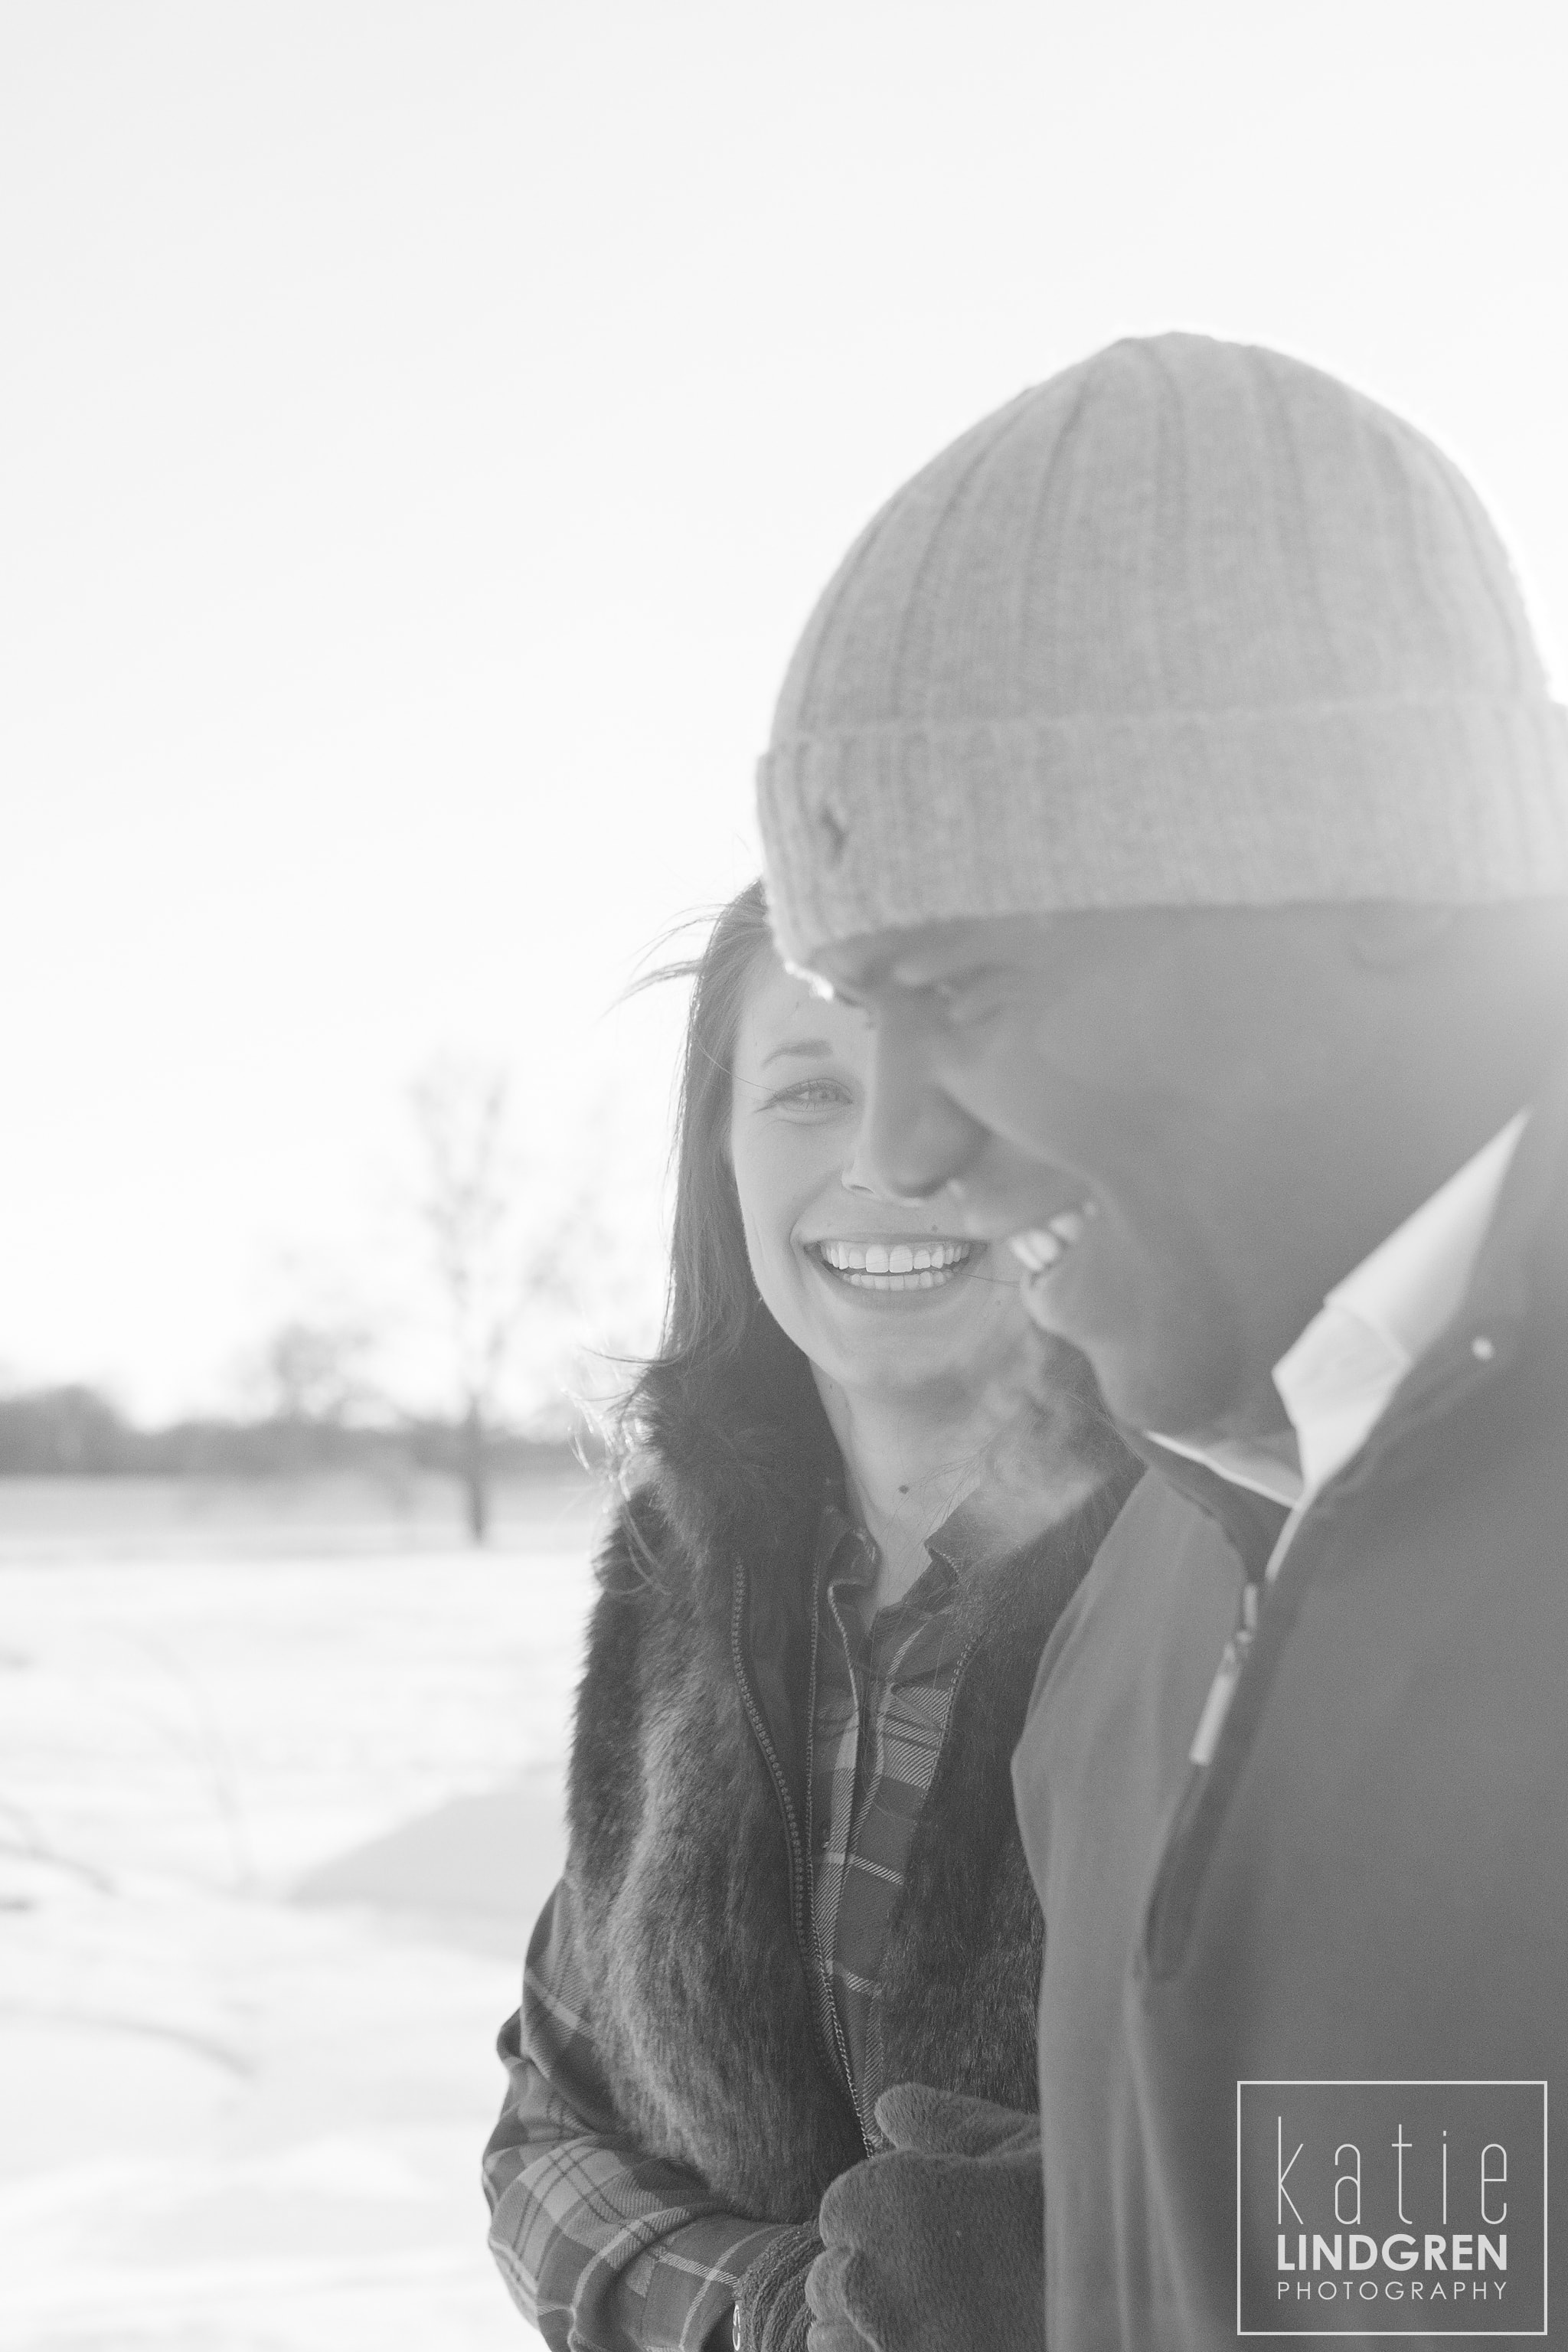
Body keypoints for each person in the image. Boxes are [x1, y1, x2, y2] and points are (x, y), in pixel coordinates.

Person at [753, 334, 1568, 2350]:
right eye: (855, 1016)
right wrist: (1101, 2256)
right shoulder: (1150, 1586)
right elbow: (1432, 2222)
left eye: (966, 986)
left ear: (1380, 885)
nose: (903, 1149)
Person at [482, 880, 1135, 2352]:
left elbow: (1387, 2192)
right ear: (719, 1162)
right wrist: (782, 2319)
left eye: (964, 1079)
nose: (886, 1162)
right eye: (805, 1094)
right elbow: (549, 2131)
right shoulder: (679, 1572)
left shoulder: (1217, 1561)